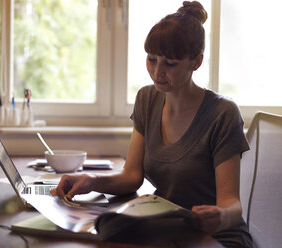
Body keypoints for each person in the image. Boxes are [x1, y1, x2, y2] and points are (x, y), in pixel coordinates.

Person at [51, 1, 253, 247]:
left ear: (196, 62)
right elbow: (132, 175)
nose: (157, 72)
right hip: (166, 230)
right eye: (151, 59)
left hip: (217, 238)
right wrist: (91, 180)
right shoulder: (147, 99)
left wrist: (220, 216)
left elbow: (232, 206)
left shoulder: (223, 114)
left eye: (170, 64)